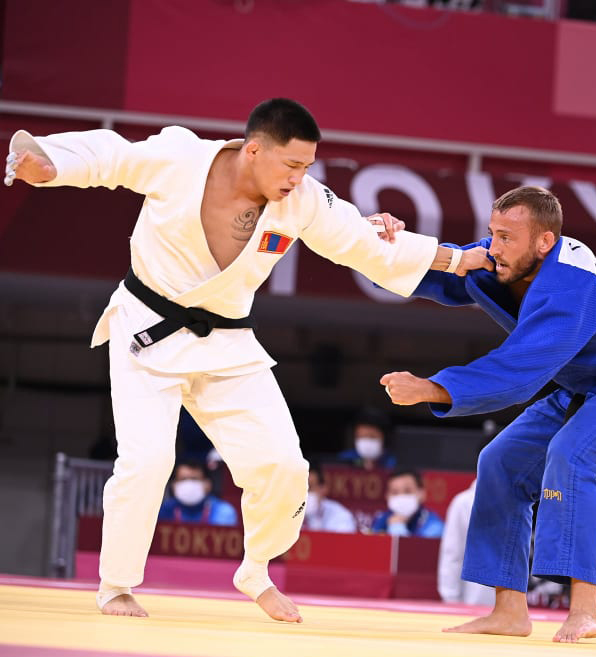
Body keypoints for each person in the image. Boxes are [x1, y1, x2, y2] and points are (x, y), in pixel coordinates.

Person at [4, 98, 489, 621]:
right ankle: (117, 584)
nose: (299, 178)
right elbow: (112, 156)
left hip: (227, 342)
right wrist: (52, 164)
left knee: (285, 466)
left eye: (307, 167)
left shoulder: (302, 200)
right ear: (254, 150)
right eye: (291, 165)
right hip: (145, 330)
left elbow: (365, 245)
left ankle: (255, 569)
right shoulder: (180, 157)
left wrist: (459, 259)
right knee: (147, 461)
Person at [380, 186, 596, 643]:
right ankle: (509, 611)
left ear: (544, 241)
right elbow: (445, 271)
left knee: (573, 454)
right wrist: (381, 248)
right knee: (500, 461)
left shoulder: (568, 287)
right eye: (492, 233)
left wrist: (432, 388)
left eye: (506, 237)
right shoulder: (505, 258)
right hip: (590, 386)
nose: (494, 247)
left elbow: (518, 371)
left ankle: (586, 610)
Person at [438, 479, 496, 606]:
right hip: (477, 602)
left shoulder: (530, 499)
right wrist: (451, 600)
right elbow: (453, 555)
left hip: (527, 601)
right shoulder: (464, 503)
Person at [158, 460, 238, 526]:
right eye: (183, 479)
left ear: (208, 484)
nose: (188, 484)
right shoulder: (162, 510)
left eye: (194, 479)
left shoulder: (223, 511)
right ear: (173, 485)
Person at [370, 469, 444, 538]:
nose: (401, 496)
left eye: (407, 491)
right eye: (395, 492)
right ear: (387, 496)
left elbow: (418, 547)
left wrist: (397, 526)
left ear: (422, 494)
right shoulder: (382, 519)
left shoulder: (434, 527)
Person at [303, 463, 357, 534]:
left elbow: (345, 540)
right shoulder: (289, 514)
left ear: (323, 489)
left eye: (309, 487)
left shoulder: (340, 516)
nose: (304, 493)